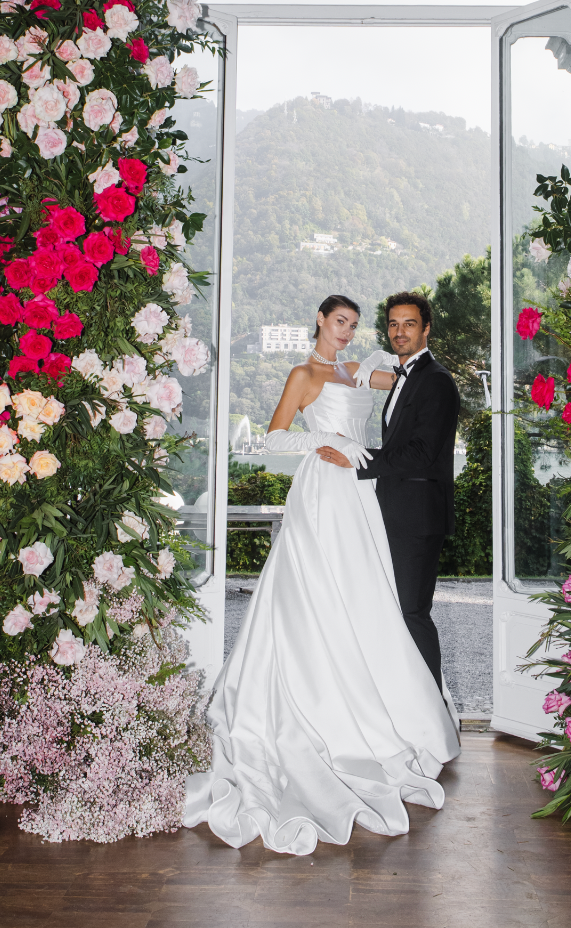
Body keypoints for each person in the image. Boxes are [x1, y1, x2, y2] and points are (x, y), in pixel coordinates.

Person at [182, 293, 460, 856]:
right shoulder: (303, 372)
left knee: (371, 597)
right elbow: (276, 434)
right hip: (324, 485)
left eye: (355, 326)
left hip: (364, 492)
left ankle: (391, 709)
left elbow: (410, 389)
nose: (348, 333)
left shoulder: (361, 371)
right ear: (320, 321)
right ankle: (316, 705)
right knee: (315, 592)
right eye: (340, 322)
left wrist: (394, 376)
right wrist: (326, 441)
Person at [318, 291, 460, 691]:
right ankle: (409, 705)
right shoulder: (404, 377)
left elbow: (420, 454)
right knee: (397, 612)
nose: (400, 332)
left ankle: (434, 712)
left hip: (416, 516)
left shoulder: (436, 381)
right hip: (395, 510)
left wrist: (356, 458)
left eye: (409, 324)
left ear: (426, 328)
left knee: (412, 613)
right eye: (394, 324)